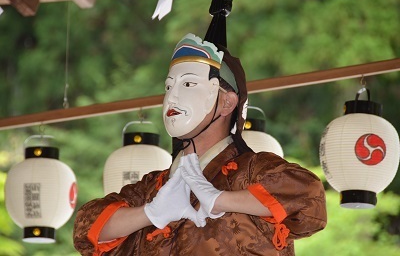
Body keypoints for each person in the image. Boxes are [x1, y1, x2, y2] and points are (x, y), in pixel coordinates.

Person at [73, 32, 327, 255]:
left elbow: (309, 197)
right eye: (168, 87)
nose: (172, 97)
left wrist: (221, 200)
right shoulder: (151, 189)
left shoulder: (252, 171)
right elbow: (86, 230)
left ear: (227, 103)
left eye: (189, 84)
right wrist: (150, 213)